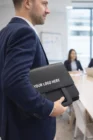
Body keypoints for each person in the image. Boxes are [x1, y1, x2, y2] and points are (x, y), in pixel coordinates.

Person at [0, 0, 68, 140]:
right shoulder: (24, 32)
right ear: (28, 3)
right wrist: (49, 108)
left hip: (12, 122)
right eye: (44, 4)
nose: (48, 10)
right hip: (28, 129)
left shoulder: (4, 32)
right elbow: (15, 82)